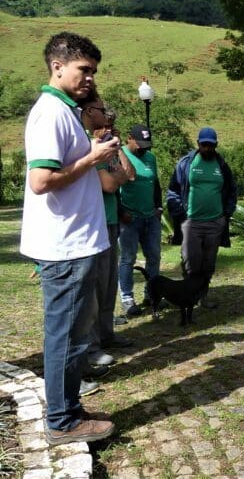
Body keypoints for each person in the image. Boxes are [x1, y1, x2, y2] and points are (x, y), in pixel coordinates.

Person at [20, 31, 118, 445]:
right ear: (57, 67)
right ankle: (61, 421)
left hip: (78, 243)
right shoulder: (51, 113)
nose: (90, 78)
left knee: (77, 336)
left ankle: (69, 409)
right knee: (66, 336)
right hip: (65, 247)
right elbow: (42, 181)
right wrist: (92, 158)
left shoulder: (66, 111)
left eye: (94, 71)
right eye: (84, 70)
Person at [79, 88, 135, 377]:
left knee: (109, 283)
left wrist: (120, 149)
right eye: (107, 127)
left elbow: (130, 174)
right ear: (95, 125)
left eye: (115, 128)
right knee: (94, 287)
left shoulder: (110, 151)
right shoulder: (93, 151)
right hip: (94, 222)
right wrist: (118, 174)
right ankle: (91, 346)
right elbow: (111, 185)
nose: (111, 131)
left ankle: (107, 335)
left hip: (111, 222)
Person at [167, 127, 237, 308]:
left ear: (216, 145)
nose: (207, 148)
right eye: (204, 144)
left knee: (208, 263)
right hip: (191, 223)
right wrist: (179, 213)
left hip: (215, 222)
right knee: (191, 261)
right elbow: (173, 190)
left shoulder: (221, 165)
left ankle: (203, 297)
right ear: (198, 144)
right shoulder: (186, 164)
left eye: (210, 145)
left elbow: (231, 191)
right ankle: (189, 295)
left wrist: (226, 214)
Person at [117, 124, 163, 318]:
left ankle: (151, 294)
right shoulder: (119, 156)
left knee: (154, 257)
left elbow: (155, 183)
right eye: (140, 144)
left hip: (150, 217)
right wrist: (121, 212)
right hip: (130, 218)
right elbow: (112, 188)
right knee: (128, 258)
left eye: (147, 144)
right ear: (130, 139)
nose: (144, 148)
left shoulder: (151, 158)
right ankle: (127, 298)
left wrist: (158, 206)